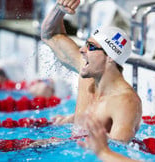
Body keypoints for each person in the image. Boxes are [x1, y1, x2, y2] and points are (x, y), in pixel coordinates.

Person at [41, 0, 142, 141]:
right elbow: (50, 36)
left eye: (91, 47)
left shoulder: (125, 102)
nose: (82, 50)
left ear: (111, 57)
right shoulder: (87, 74)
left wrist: (62, 143)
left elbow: (116, 152)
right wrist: (59, 10)